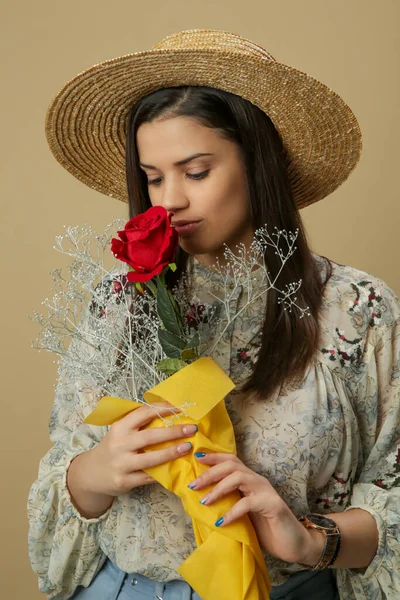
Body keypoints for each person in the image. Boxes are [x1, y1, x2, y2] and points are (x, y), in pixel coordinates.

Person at [27, 29, 400, 600]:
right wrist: (95, 473)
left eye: (195, 172)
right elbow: (63, 474)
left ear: (258, 165)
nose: (168, 199)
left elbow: (392, 493)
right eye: (153, 178)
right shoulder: (118, 300)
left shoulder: (356, 308)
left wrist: (309, 539)